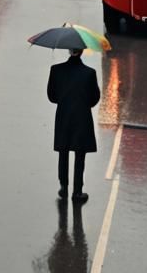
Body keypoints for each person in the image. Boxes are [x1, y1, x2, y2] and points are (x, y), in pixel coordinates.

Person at [47, 47, 100, 203]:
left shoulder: (56, 70)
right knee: (80, 154)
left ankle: (63, 186)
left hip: (63, 115)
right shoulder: (89, 73)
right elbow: (94, 99)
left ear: (68, 50)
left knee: (63, 152)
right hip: (82, 116)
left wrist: (64, 100)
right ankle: (77, 191)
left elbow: (52, 96)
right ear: (82, 51)